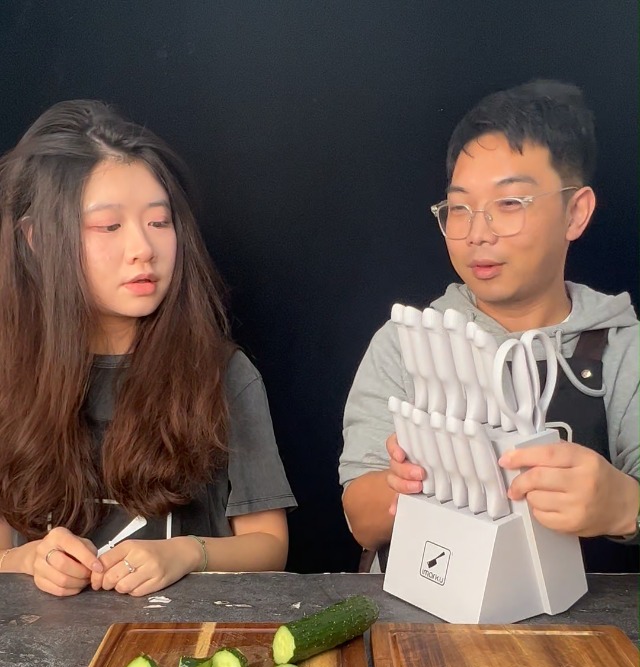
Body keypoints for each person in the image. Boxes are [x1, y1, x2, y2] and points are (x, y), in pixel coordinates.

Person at [339, 80, 639, 572]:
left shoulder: (623, 346)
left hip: (588, 616)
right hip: (423, 605)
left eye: (510, 204)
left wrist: (623, 505)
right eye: (459, 208)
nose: (478, 233)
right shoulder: (408, 341)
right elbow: (362, 519)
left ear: (576, 212)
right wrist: (415, 482)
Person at [0, 100, 296, 597]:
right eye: (109, 226)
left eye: (159, 222)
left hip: (185, 634)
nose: (143, 248)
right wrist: (27, 559)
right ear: (36, 238)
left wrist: (187, 553)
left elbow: (270, 546)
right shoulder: (10, 375)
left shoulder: (221, 373)